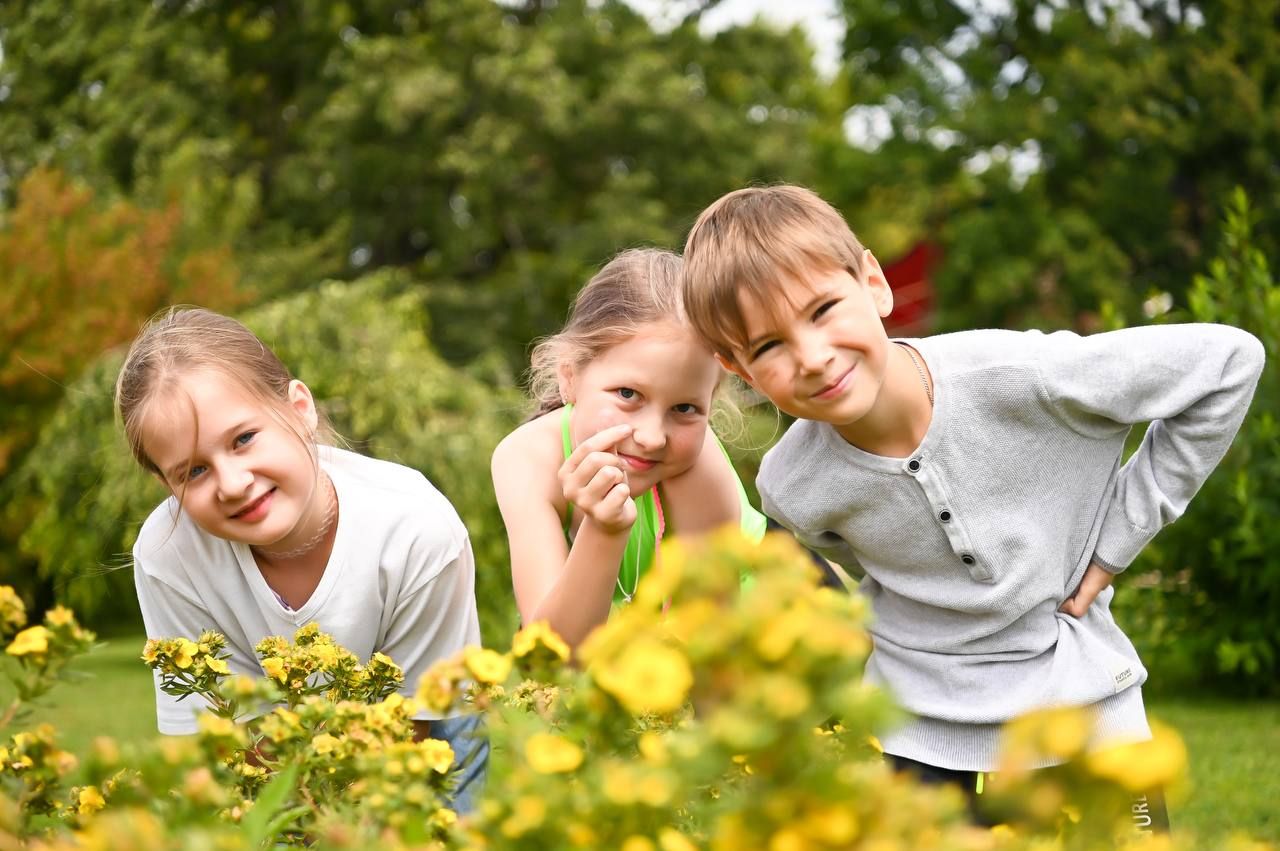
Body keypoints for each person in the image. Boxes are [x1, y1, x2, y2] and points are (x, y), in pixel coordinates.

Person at [679, 183, 1265, 829]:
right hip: (916, 729)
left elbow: (1229, 362)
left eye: (822, 309)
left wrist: (1113, 543)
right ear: (737, 367)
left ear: (873, 282)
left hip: (1081, 691)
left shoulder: (1023, 374)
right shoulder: (791, 484)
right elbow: (862, 562)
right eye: (768, 346)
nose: (813, 358)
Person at [117, 307, 487, 812]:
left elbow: (419, 725)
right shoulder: (167, 555)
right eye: (194, 471)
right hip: (272, 752)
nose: (233, 484)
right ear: (166, 485)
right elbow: (225, 736)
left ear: (299, 409)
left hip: (427, 728)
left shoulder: (415, 526)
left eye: (243, 439)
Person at [490, 248, 806, 650]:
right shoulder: (527, 459)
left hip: (751, 628)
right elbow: (555, 659)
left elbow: (711, 664)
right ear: (569, 377)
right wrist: (604, 530)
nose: (653, 436)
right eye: (628, 394)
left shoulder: (697, 469)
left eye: (685, 408)